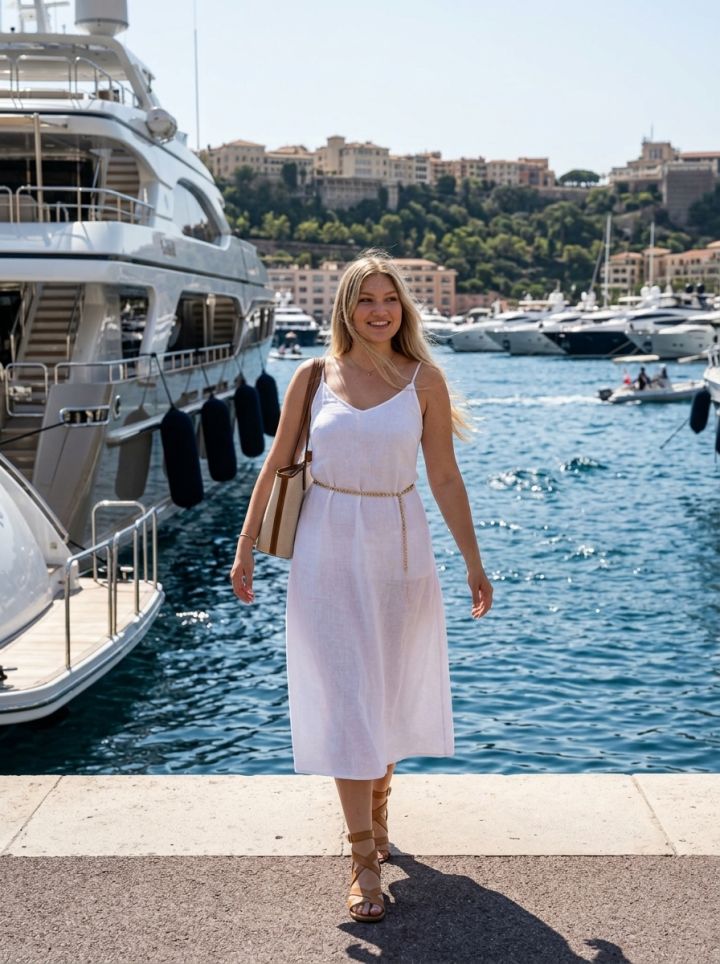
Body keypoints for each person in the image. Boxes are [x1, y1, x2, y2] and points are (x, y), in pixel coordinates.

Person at [230, 250, 493, 923]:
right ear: (344, 308)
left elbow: (444, 478)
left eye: (390, 299)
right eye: (366, 299)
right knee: (349, 699)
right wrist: (245, 548)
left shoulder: (423, 379)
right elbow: (278, 463)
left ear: (403, 308)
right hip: (325, 550)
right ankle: (362, 860)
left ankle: (377, 814)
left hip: (399, 545)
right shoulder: (313, 376)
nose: (379, 311)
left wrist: (473, 560)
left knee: (388, 693)